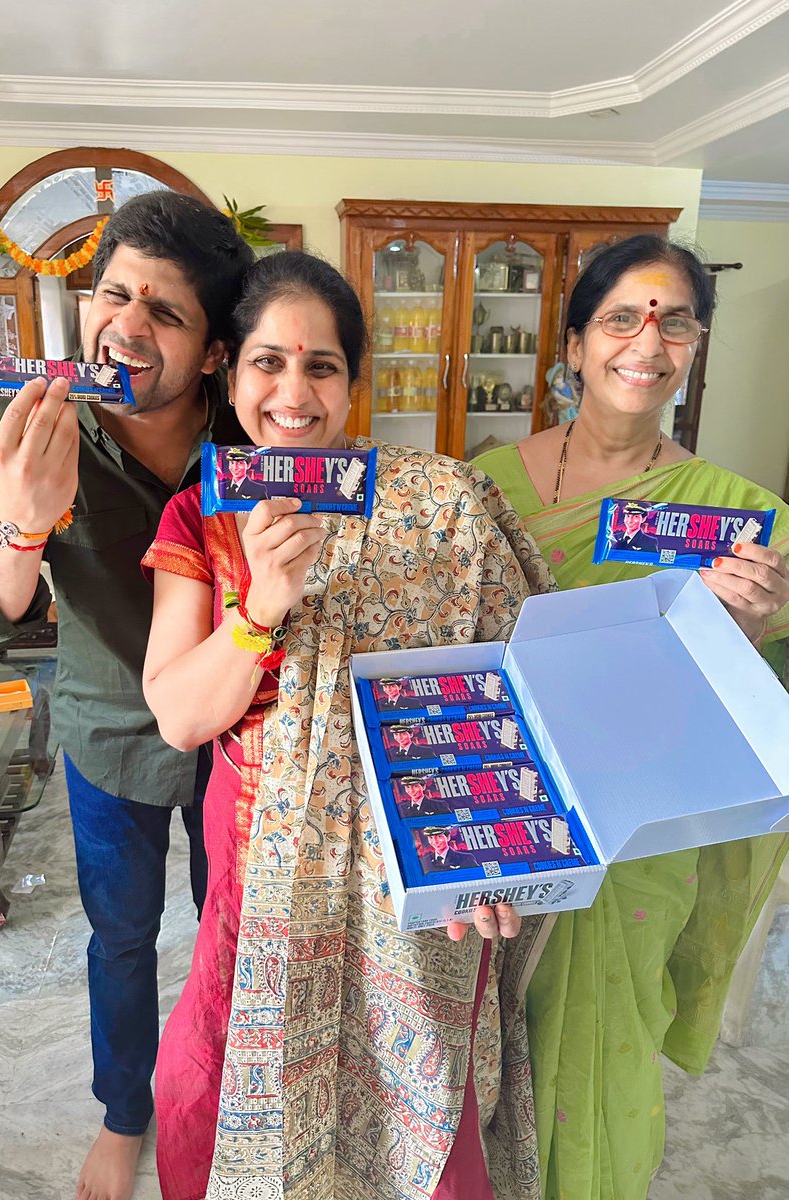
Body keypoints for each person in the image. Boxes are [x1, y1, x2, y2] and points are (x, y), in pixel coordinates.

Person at [141, 250, 555, 1200]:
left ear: (353, 382)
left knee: (417, 1094)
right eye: (268, 362)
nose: (294, 393)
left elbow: (511, 699)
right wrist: (262, 604)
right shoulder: (202, 513)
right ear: (229, 373)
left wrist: (498, 857)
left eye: (321, 367)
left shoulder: (442, 504)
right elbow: (179, 717)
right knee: (224, 1077)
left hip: (422, 858)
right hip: (266, 854)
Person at [0, 190, 254, 1200]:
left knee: (233, 930)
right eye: (114, 294)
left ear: (214, 350)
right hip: (109, 732)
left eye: (165, 311)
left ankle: (226, 1095)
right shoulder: (23, 424)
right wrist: (21, 519)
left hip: (241, 733)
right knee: (120, 936)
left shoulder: (256, 430)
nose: (125, 326)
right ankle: (124, 1113)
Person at [472, 234, 789, 1200]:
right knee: (476, 1047)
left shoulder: (739, 517)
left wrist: (745, 630)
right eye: (622, 318)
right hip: (497, 809)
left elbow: (746, 718)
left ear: (693, 347)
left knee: (601, 1047)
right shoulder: (483, 483)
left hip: (638, 828)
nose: (648, 342)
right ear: (574, 346)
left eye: (675, 322)